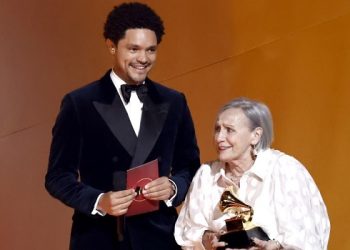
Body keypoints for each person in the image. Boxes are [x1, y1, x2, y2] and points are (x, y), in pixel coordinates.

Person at [45, 2, 200, 250]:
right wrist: (98, 201)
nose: (143, 59)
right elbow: (57, 177)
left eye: (151, 50)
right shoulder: (79, 103)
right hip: (100, 238)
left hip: (159, 237)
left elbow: (190, 167)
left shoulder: (174, 101)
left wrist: (173, 186)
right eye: (134, 49)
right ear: (111, 45)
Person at [175, 97, 330, 250]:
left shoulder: (284, 169)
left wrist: (276, 247)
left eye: (229, 130)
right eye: (217, 129)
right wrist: (207, 238)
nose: (219, 138)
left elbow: (306, 238)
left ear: (255, 135)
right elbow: (187, 233)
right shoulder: (206, 175)